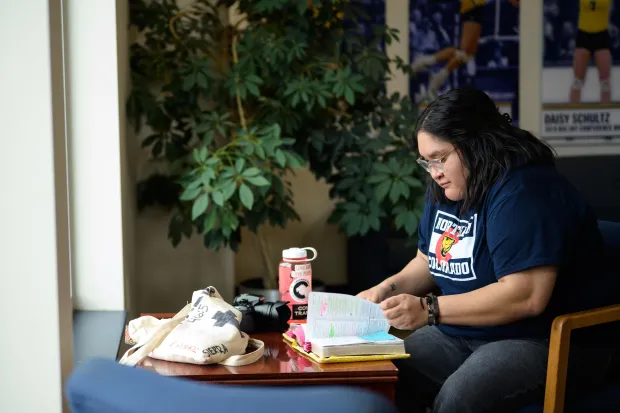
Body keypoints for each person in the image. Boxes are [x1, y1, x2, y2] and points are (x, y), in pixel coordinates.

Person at [357, 87, 619, 413]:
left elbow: (526, 296)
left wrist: (430, 310)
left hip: (541, 339)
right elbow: (428, 259)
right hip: (460, 333)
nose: (434, 171)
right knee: (382, 374)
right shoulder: (447, 186)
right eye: (427, 161)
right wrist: (385, 289)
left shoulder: (525, 192)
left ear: (476, 145)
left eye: (440, 158)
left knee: (459, 399)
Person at [410, 0, 520, 97]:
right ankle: (429, 64)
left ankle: (437, 73)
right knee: (464, 53)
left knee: (466, 55)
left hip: (477, 9)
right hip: (472, 7)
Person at [570, 0, 613, 103]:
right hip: (584, 35)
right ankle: (573, 112)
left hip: (601, 35)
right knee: (577, 81)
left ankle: (605, 114)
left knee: (605, 83)